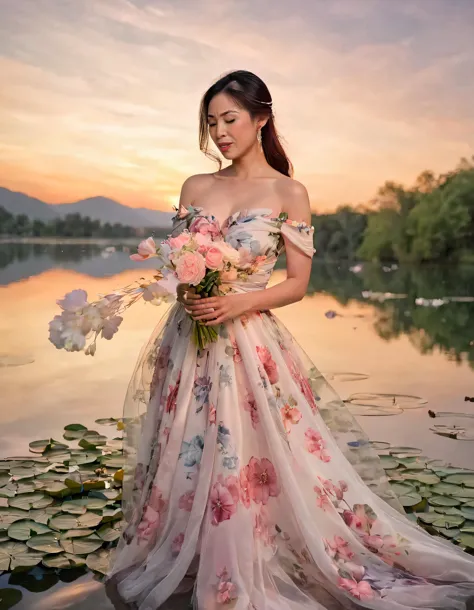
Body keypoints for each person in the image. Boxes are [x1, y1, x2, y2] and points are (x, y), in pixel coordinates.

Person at [105, 70, 474, 610]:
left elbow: (298, 285)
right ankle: (189, 546)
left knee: (244, 449)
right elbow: (183, 265)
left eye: (230, 119)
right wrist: (186, 293)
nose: (220, 132)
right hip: (189, 338)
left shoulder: (288, 192)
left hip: (247, 335)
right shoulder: (195, 187)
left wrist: (237, 301)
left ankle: (247, 555)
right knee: (186, 445)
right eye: (211, 123)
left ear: (261, 118)